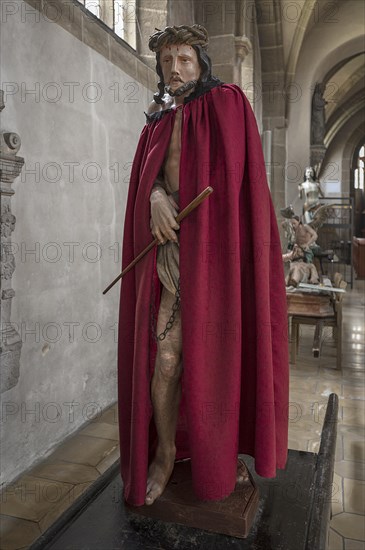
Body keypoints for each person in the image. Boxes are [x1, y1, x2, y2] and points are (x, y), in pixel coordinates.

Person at [118, 24, 289, 507]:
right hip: (172, 256)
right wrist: (153, 196)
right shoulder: (155, 123)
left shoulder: (228, 103)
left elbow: (239, 183)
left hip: (219, 259)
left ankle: (222, 452)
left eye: (184, 59)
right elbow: (148, 183)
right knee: (167, 358)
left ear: (201, 62)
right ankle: (167, 453)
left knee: (222, 358)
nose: (175, 68)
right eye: (166, 61)